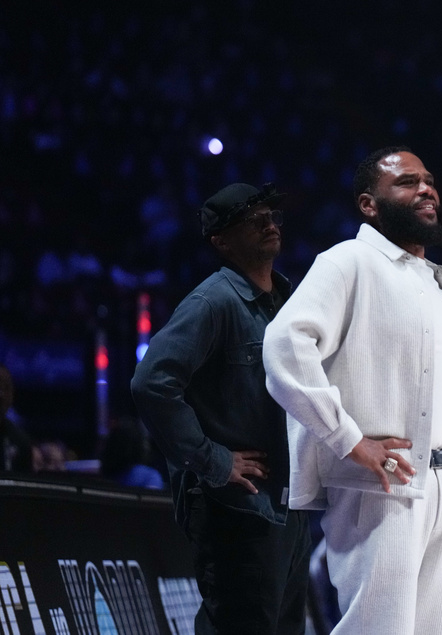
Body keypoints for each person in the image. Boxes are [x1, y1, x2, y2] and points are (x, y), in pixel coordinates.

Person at [262, 146, 442, 634]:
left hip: (436, 481)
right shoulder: (349, 261)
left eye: (428, 180)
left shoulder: (432, 280)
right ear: (369, 204)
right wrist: (349, 440)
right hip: (378, 483)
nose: (426, 189)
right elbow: (283, 345)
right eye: (407, 182)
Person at [130, 182, 310, 634]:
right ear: (221, 241)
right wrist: (213, 460)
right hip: (237, 507)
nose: (269, 223)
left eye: (271, 215)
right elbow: (151, 383)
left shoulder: (286, 300)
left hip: (287, 503)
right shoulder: (212, 302)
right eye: (253, 220)